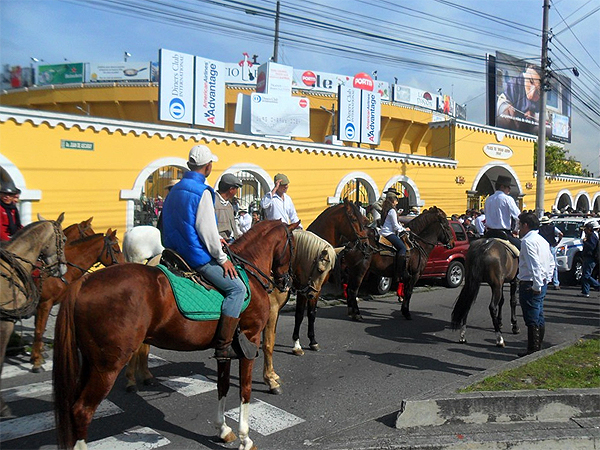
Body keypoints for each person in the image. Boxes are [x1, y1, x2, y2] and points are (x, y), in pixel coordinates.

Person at [161, 145, 248, 361]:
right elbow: (207, 231)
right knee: (237, 288)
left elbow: (174, 223)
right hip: (195, 257)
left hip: (171, 253)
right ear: (208, 167)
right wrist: (222, 258)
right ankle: (224, 346)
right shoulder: (203, 192)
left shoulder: (176, 189)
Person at [516, 212, 554, 357]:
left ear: (525, 225)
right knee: (539, 314)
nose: (519, 228)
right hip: (541, 281)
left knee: (531, 317)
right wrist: (546, 279)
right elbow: (551, 262)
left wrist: (537, 285)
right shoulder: (542, 240)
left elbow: (534, 265)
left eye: (520, 225)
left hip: (530, 283)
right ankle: (537, 346)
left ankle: (533, 349)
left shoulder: (527, 241)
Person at [496, 64, 542, 135]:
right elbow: (501, 102)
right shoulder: (514, 84)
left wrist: (534, 116)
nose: (531, 94)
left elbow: (547, 121)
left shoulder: (542, 100)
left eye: (538, 91)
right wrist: (507, 109)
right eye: (531, 81)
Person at [484, 175, 522, 249]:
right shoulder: (508, 199)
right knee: (522, 249)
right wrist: (516, 230)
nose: (509, 189)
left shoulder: (488, 199)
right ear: (502, 186)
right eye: (508, 187)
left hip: (489, 233)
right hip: (503, 233)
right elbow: (518, 216)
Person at [379, 191, 410, 283]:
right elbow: (395, 226)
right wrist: (405, 230)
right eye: (396, 199)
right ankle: (399, 270)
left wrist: (401, 226)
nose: (397, 201)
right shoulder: (392, 210)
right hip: (388, 233)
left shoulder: (386, 209)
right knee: (402, 248)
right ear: (393, 200)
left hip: (384, 231)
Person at [215, 173, 243, 243]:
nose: (236, 192)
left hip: (232, 241)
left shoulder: (229, 205)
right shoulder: (213, 202)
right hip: (221, 243)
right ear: (231, 189)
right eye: (237, 189)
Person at [538, 215, 563, 290]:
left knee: (542, 263)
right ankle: (556, 283)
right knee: (554, 264)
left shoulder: (539, 229)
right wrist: (558, 242)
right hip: (552, 246)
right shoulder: (552, 228)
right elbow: (561, 234)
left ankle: (543, 280)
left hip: (542, 247)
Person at [578, 221, 600, 298]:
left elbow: (591, 247)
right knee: (585, 275)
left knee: (586, 275)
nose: (584, 230)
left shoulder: (592, 236)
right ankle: (585, 291)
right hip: (588, 257)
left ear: (590, 229)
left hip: (590, 258)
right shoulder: (590, 236)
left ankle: (597, 286)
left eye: (586, 229)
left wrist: (585, 242)